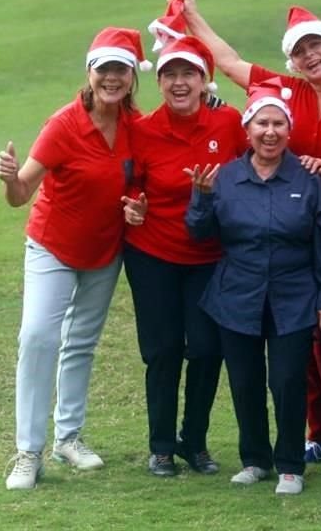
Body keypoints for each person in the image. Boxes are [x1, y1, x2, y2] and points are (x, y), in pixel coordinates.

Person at [179, 0, 321, 475]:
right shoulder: (285, 93)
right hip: (293, 234)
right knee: (297, 340)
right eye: (299, 50)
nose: (309, 56)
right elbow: (228, 61)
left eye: (316, 46)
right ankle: (318, 434)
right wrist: (193, 17)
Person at [0, 27, 148, 490]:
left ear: (131, 78)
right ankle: (28, 452)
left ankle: (69, 437)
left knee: (80, 342)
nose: (112, 79)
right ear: (90, 73)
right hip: (52, 246)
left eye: (121, 70)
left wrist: (137, 208)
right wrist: (7, 178)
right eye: (104, 70)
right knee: (39, 336)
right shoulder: (63, 124)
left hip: (104, 251)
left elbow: (141, 181)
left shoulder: (137, 129)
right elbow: (21, 194)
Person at [185, 79, 321, 495]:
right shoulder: (225, 177)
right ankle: (254, 460)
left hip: (294, 297)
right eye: (261, 124)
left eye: (278, 124)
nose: (269, 132)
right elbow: (200, 234)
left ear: (288, 131)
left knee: (288, 380)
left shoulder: (307, 178)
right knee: (245, 381)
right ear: (248, 129)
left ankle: (290, 464)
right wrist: (200, 199)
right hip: (237, 295)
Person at [121, 35, 246, 478]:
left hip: (210, 257)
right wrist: (133, 204)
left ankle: (194, 442)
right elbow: (131, 182)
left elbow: (255, 167)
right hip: (152, 253)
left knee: (208, 349)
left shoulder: (229, 123)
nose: (178, 82)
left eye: (188, 74)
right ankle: (160, 447)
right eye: (169, 74)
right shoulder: (142, 130)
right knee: (163, 349)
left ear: (204, 80)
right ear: (158, 81)